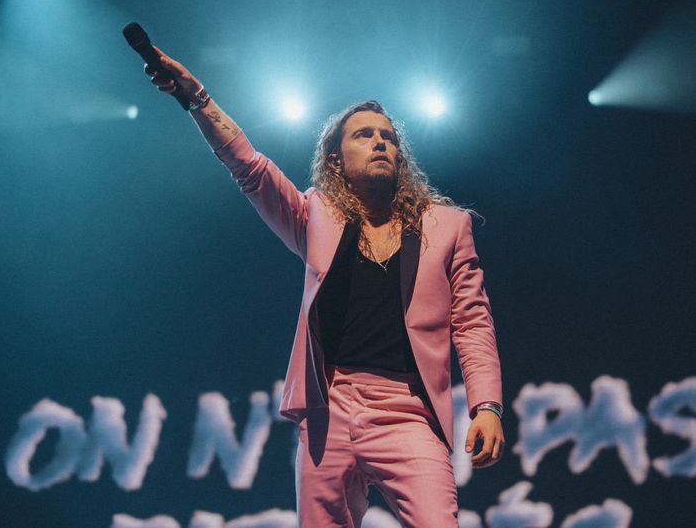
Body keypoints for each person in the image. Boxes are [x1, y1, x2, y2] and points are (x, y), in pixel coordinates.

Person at [143, 46, 505, 528]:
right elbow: (249, 167)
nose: (380, 143)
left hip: (409, 410)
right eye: (364, 135)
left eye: (389, 137)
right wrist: (197, 98)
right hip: (328, 408)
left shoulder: (447, 226)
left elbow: (473, 321)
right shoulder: (315, 216)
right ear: (335, 161)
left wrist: (487, 405)